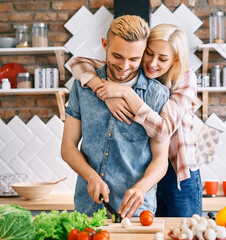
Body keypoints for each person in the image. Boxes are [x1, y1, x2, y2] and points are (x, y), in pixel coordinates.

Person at [68, 23, 203, 217]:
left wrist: (125, 92)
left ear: (174, 61)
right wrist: (102, 90)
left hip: (178, 174)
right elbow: (78, 64)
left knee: (182, 233)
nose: (152, 63)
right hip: (149, 172)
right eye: (149, 53)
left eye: (162, 59)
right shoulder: (126, 65)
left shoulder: (183, 80)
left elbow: (163, 130)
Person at [61, 15, 170, 219]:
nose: (124, 66)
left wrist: (142, 188)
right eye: (118, 56)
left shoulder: (157, 94)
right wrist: (91, 177)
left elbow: (160, 159)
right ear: (105, 45)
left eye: (134, 59)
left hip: (136, 211)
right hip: (87, 207)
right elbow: (68, 147)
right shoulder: (82, 86)